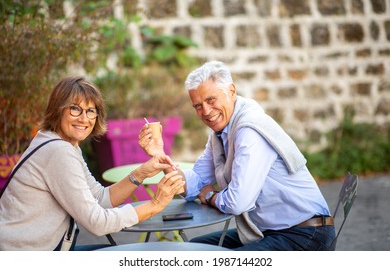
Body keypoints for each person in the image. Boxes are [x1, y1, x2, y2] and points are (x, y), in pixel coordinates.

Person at [138, 61, 336, 251]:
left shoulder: (249, 130)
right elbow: (193, 184)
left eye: (211, 100)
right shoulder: (220, 134)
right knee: (196, 248)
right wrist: (160, 155)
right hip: (271, 232)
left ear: (231, 91)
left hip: (305, 234)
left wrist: (209, 196)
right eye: (198, 106)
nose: (206, 111)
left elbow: (238, 202)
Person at [0, 76, 184, 251]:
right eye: (75, 109)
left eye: (90, 111)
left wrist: (141, 173)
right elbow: (97, 222)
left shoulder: (62, 144)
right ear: (57, 110)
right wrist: (156, 204)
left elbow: (100, 198)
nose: (84, 118)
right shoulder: (58, 151)